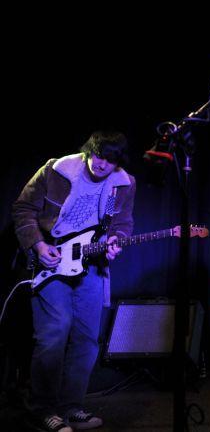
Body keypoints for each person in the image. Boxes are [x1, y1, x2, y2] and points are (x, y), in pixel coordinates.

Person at [11, 131, 135, 432]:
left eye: (109, 159)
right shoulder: (57, 170)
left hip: (90, 264)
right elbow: (23, 209)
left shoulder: (124, 184)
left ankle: (71, 407)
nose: (101, 163)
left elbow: (122, 223)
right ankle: (43, 409)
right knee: (55, 331)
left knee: (87, 338)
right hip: (51, 261)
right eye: (97, 155)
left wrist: (118, 240)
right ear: (88, 151)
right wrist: (38, 246)